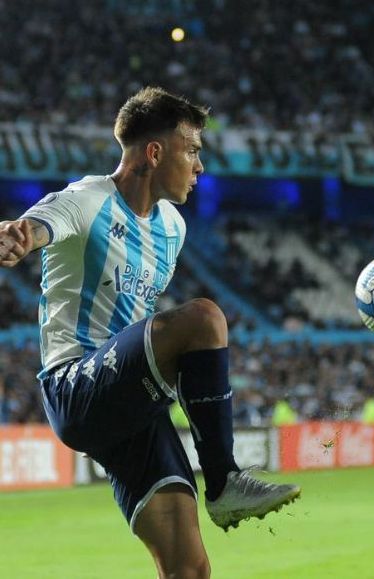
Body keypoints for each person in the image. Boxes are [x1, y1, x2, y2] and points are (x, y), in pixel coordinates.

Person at [0, 86, 301, 579]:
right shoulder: (87, 199)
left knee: (190, 568)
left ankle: (219, 487)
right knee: (205, 317)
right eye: (193, 151)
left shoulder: (173, 229)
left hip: (128, 404)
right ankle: (224, 480)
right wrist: (18, 236)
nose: (200, 166)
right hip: (75, 384)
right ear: (155, 152)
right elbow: (39, 225)